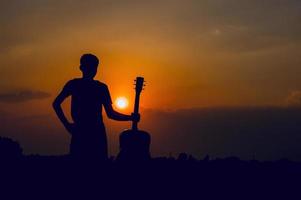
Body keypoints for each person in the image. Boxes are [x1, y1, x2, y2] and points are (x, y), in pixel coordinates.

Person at [53, 53, 139, 160]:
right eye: (90, 66)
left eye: (94, 67)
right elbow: (56, 104)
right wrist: (67, 125)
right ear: (81, 68)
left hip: (93, 133)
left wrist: (130, 118)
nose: (92, 70)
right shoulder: (78, 85)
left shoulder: (97, 87)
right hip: (85, 132)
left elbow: (110, 114)